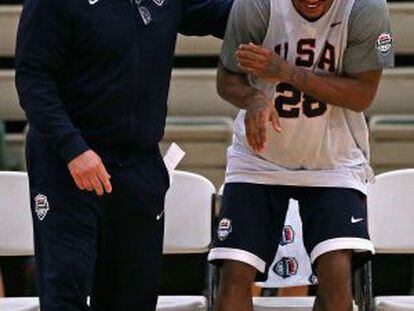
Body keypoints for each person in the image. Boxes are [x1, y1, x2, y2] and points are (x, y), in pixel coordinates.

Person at [15, 0, 232, 310]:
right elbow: (32, 77)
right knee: (66, 289)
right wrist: (73, 149)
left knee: (134, 296)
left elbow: (230, 14)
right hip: (68, 166)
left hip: (138, 165)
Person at [208, 0, 394, 310]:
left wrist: (287, 72)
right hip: (258, 159)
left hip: (333, 160)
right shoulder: (257, 5)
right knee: (234, 277)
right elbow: (227, 79)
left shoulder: (365, 7)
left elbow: (362, 95)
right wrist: (254, 99)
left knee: (336, 278)